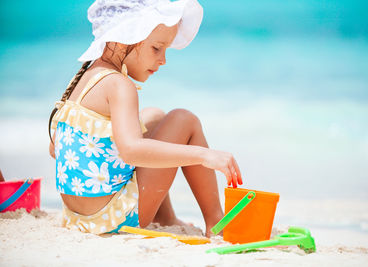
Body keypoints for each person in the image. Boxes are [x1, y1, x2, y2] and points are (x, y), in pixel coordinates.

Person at [48, 0, 242, 237]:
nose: (163, 60)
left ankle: (165, 216)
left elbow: (54, 147)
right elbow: (131, 151)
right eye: (156, 48)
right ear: (125, 38)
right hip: (112, 217)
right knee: (184, 119)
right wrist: (204, 155)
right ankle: (216, 223)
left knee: (154, 116)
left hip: (78, 216)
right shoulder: (119, 84)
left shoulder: (86, 77)